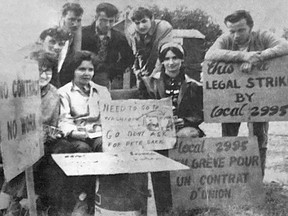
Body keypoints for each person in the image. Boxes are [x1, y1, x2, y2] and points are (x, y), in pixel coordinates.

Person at [205, 10, 288, 176]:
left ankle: (257, 179)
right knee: (228, 137)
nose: (236, 35)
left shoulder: (262, 36)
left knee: (259, 137)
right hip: (231, 97)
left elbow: (285, 45)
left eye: (241, 30)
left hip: (259, 97)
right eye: (232, 31)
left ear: (251, 27)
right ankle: (229, 177)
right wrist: (243, 56)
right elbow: (210, 54)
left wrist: (259, 56)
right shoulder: (225, 39)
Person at [141, 42, 204, 214]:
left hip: (184, 126)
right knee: (157, 144)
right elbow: (142, 109)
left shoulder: (193, 85)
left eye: (175, 58)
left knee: (188, 137)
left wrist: (185, 121)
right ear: (161, 61)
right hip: (157, 128)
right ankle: (162, 201)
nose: (171, 63)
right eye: (167, 59)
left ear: (182, 59)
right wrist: (163, 122)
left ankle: (187, 198)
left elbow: (200, 112)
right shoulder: (149, 83)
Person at [0, 51, 66, 215]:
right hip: (16, 139)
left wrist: (51, 133)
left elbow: (53, 123)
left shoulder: (54, 94)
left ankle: (16, 201)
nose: (44, 75)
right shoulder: (17, 91)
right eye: (39, 71)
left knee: (52, 149)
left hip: (44, 140)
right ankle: (15, 202)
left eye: (48, 70)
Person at [57, 50, 111, 214]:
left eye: (90, 70)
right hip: (77, 135)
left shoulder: (101, 91)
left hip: (98, 133)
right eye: (81, 69)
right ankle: (82, 198)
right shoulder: (64, 92)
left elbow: (109, 116)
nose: (87, 73)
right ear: (73, 70)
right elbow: (63, 120)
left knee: (105, 147)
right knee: (83, 151)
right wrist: (74, 132)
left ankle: (104, 196)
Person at [82, 2, 134, 88]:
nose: (107, 25)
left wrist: (112, 70)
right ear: (96, 18)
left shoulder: (119, 37)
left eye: (111, 21)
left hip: (103, 76)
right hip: (83, 73)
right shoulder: (83, 34)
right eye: (104, 20)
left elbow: (129, 58)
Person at [125, 7, 173, 98]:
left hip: (162, 71)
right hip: (144, 74)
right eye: (137, 23)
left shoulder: (163, 28)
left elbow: (163, 54)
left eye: (144, 21)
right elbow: (135, 54)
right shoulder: (132, 32)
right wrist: (137, 71)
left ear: (152, 19)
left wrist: (152, 77)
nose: (141, 26)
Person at [58, 2, 84, 87]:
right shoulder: (54, 36)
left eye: (78, 20)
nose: (75, 24)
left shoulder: (72, 35)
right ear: (63, 18)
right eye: (71, 19)